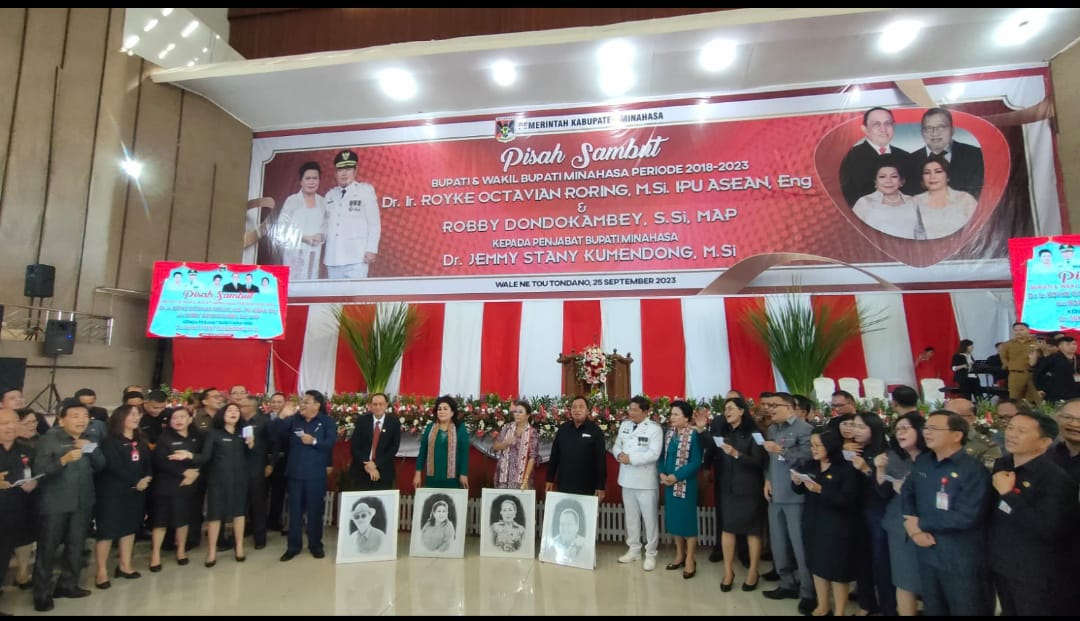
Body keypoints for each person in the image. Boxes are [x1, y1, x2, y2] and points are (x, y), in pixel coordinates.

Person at [900, 410, 992, 616]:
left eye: (934, 428)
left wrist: (920, 524)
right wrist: (912, 526)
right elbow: (907, 492)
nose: (927, 433)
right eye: (926, 428)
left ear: (957, 435)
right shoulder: (924, 462)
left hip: (960, 557)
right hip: (927, 552)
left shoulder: (973, 470)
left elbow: (967, 515)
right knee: (934, 608)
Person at [988, 410, 1079, 616]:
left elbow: (1048, 529)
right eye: (1010, 427)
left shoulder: (1056, 480)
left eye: (1022, 431)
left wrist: (1008, 494)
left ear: (1044, 442)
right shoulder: (1003, 465)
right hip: (1002, 563)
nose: (1012, 434)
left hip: (1035, 572)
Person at [31, 399, 104, 612]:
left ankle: (68, 585)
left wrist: (92, 450)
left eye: (85, 416)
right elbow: (40, 471)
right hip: (55, 503)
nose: (81, 420)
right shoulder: (49, 439)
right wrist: (63, 460)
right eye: (75, 416)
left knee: (76, 545)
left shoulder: (89, 438)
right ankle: (41, 593)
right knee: (48, 549)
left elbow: (101, 465)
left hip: (83, 502)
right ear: (62, 420)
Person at [792, 428, 860, 617]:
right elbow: (799, 490)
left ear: (830, 446)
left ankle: (840, 611)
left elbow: (847, 499)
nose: (813, 449)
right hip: (813, 523)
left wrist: (821, 490)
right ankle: (822, 606)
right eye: (811, 445)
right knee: (817, 567)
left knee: (837, 571)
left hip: (836, 526)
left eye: (818, 445)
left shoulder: (845, 468)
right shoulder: (811, 465)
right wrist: (796, 482)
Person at [760, 392, 816, 614]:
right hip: (775, 495)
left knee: (800, 547)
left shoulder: (805, 429)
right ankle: (786, 584)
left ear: (790, 408)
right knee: (778, 543)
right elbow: (769, 460)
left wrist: (781, 450)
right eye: (769, 405)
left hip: (795, 497)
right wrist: (767, 479)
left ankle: (808, 592)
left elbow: (809, 458)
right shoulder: (773, 429)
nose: (770, 409)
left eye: (775, 405)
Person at [711, 397, 768, 591]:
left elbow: (760, 461)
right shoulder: (724, 433)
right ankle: (728, 572)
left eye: (731, 408)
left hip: (749, 489)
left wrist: (737, 454)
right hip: (728, 489)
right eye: (725, 409)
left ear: (742, 411)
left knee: (753, 531)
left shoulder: (755, 433)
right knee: (727, 530)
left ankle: (753, 571)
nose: (727, 412)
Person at [92, 405, 152, 588]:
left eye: (137, 414)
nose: (136, 418)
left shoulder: (140, 439)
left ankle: (125, 565)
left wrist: (147, 477)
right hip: (113, 493)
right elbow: (113, 465)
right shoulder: (110, 441)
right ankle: (101, 571)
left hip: (136, 492)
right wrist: (136, 481)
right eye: (131, 414)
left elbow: (148, 462)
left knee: (129, 528)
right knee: (107, 531)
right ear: (120, 417)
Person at [875, 412, 927, 617]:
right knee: (903, 580)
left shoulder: (933, 458)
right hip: (898, 525)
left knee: (930, 582)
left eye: (905, 428)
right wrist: (880, 470)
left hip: (928, 526)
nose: (900, 433)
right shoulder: (894, 456)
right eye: (897, 430)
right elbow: (883, 492)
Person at [280, 390, 337, 561]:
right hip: (295, 473)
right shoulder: (294, 419)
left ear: (317, 405)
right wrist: (282, 416)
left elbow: (330, 443)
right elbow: (275, 432)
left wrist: (314, 441)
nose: (302, 404)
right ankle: (293, 546)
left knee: (315, 511)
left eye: (306, 402)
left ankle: (315, 545)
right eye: (302, 401)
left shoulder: (327, 421)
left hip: (315, 474)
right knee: (294, 512)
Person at [196, 403, 252, 567]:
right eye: (230, 410)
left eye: (236, 411)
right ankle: (212, 551)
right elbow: (205, 457)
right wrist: (190, 456)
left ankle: (239, 547)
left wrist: (251, 444)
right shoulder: (214, 433)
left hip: (239, 479)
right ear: (222, 414)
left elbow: (250, 455)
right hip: (218, 481)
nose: (234, 413)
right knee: (215, 516)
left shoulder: (243, 433)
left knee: (239, 514)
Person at [611, 395, 662, 570]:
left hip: (645, 482)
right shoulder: (625, 425)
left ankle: (651, 553)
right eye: (630, 409)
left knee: (650, 520)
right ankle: (634, 549)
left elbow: (654, 454)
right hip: (626, 479)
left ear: (646, 411)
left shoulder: (654, 429)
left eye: (635, 409)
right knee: (631, 518)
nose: (631, 412)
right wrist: (619, 454)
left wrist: (631, 458)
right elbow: (617, 445)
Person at [149, 406, 202, 571]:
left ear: (190, 419)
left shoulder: (197, 437)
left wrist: (195, 472)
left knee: (182, 520)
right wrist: (183, 472)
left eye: (182, 417)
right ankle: (155, 556)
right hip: (166, 485)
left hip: (187, 485)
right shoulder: (164, 439)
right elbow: (160, 461)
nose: (179, 420)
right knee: (161, 522)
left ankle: (181, 551)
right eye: (175, 418)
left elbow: (203, 457)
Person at [659, 400, 704, 580]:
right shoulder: (669, 433)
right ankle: (679, 554)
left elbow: (696, 462)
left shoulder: (694, 435)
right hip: (669, 484)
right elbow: (662, 457)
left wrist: (677, 476)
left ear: (687, 418)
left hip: (686, 485)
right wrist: (662, 473)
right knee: (675, 521)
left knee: (688, 523)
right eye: (671, 414)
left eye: (676, 414)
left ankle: (691, 558)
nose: (672, 417)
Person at [0, 407, 38, 616]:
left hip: (16, 512)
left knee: (4, 558)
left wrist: (34, 483)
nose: (9, 427)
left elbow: (34, 473)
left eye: (13, 422)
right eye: (3, 423)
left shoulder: (24, 449)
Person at [839, 106, 914, 208]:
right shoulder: (850, 157)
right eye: (876, 124)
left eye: (887, 123)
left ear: (894, 126)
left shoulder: (906, 157)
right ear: (865, 129)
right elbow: (845, 195)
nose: (883, 129)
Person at [323, 149, 380, 279]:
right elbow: (326, 223)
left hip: (357, 256)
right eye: (340, 170)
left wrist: (371, 249)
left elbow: (374, 223)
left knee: (356, 291)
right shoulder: (330, 195)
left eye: (348, 169)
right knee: (334, 292)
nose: (344, 173)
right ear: (335, 173)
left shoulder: (365, 191)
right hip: (333, 257)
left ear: (355, 171)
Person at [910, 107, 984, 200]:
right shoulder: (910, 161)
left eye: (941, 127)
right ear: (922, 132)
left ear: (952, 130)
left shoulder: (976, 155)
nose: (934, 133)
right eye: (928, 128)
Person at [546, 396, 607, 499]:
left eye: (581, 407)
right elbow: (554, 456)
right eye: (574, 407)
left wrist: (600, 486)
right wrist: (549, 479)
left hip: (587, 486)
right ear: (570, 411)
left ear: (587, 411)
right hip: (564, 484)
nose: (577, 409)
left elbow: (601, 460)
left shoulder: (595, 431)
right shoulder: (563, 429)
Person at [275, 161, 326, 280]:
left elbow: (326, 226)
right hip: (295, 252)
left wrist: (322, 235)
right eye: (308, 178)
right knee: (294, 283)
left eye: (315, 178)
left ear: (319, 181)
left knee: (311, 281)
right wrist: (303, 237)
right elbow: (281, 228)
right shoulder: (292, 200)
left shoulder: (323, 202)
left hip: (314, 252)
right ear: (301, 181)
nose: (311, 182)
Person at [912, 154, 977, 239]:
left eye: (938, 171)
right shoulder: (915, 201)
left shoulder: (965, 199)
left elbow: (977, 230)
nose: (932, 177)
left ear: (947, 176)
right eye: (927, 173)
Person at [851, 159, 921, 238]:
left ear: (901, 181)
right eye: (882, 177)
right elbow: (853, 233)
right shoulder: (865, 202)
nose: (888, 181)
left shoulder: (913, 202)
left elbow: (921, 233)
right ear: (875, 182)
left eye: (894, 176)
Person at [413, 395, 470, 489]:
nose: (441, 411)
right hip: (432, 478)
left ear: (452, 412)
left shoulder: (460, 428)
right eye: (439, 409)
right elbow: (422, 452)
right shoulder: (430, 428)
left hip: (453, 479)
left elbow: (464, 453)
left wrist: (464, 474)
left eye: (445, 409)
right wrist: (418, 473)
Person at [349, 392, 401, 490]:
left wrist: (375, 463)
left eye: (381, 404)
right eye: (375, 404)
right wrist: (367, 464)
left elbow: (394, 448)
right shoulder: (362, 421)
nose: (378, 407)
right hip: (362, 470)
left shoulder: (394, 423)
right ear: (370, 406)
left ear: (386, 405)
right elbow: (354, 446)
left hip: (383, 472)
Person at [492, 400, 539, 490]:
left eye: (520, 412)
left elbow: (532, 458)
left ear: (528, 415)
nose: (517, 414)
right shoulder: (507, 427)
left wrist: (526, 479)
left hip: (522, 479)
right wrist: (506, 443)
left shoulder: (532, 432)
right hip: (504, 477)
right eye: (515, 412)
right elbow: (495, 447)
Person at [999, 322, 1040, 403]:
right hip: (1016, 374)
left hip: (1033, 374)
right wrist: (1007, 365)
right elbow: (1004, 357)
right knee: (1015, 399)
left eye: (1021, 330)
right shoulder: (1008, 344)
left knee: (1036, 399)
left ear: (1028, 330)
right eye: (1016, 330)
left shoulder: (1034, 343)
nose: (1018, 332)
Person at [545, 500, 588, 564]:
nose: (565, 528)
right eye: (562, 524)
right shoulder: (552, 545)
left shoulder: (585, 546)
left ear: (577, 527)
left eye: (569, 524)